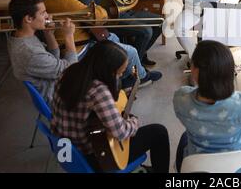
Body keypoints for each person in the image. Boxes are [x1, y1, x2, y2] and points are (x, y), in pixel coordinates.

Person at [50, 40, 170, 172]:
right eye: (118, 73)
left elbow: (91, 110)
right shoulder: (99, 91)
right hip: (93, 155)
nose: (119, 77)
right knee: (159, 132)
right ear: (106, 70)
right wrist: (134, 121)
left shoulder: (69, 71)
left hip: (66, 148)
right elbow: (121, 132)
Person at [41, 0, 161, 87]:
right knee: (130, 52)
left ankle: (128, 73)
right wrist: (104, 9)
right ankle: (137, 78)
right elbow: (97, 16)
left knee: (114, 38)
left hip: (75, 42)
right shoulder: (65, 1)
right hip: (80, 48)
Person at [173, 40, 241, 172]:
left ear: (194, 70)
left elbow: (192, 93)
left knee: (184, 138)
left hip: (197, 168)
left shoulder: (181, 99)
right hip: (235, 170)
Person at [7, 0, 77, 102]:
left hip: (55, 85)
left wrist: (48, 34)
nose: (47, 16)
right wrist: (69, 36)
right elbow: (71, 71)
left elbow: (52, 57)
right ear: (28, 19)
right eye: (42, 13)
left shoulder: (20, 36)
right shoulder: (29, 52)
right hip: (58, 99)